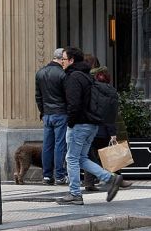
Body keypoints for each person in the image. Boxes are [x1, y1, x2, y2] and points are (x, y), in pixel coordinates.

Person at [56, 47, 122, 205]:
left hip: (79, 123)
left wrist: (71, 122)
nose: (61, 62)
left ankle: (75, 194)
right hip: (92, 124)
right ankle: (110, 178)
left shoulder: (73, 77)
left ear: (71, 60)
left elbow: (74, 104)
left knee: (71, 158)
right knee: (81, 158)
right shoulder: (87, 75)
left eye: (63, 59)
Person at [35, 47, 68, 185]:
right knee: (60, 145)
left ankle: (47, 175)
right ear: (61, 59)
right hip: (60, 113)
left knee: (47, 145)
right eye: (65, 59)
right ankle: (60, 175)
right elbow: (67, 96)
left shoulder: (40, 73)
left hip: (47, 114)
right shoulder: (62, 74)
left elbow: (38, 96)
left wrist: (42, 111)